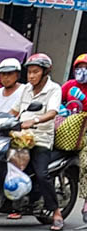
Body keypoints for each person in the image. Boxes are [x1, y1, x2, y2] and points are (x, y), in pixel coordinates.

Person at [10, 53, 63, 230]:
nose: (31, 76)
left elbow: (52, 112)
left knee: (42, 174)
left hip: (41, 138)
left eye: (35, 72)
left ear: (45, 72)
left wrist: (35, 120)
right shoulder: (25, 89)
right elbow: (14, 111)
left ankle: (56, 212)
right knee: (1, 162)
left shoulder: (54, 89)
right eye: (29, 72)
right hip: (21, 136)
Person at [60, 53, 87, 221]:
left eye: (85, 68)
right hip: (67, 129)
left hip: (85, 133)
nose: (82, 71)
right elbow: (56, 100)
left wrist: (83, 100)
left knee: (86, 163)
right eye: (79, 68)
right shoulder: (69, 85)